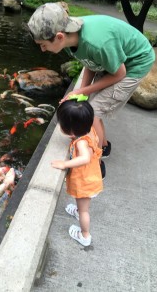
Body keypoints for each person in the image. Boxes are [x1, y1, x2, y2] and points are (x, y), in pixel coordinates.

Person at [27, 2, 155, 162]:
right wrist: (81, 93)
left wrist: (81, 91)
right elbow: (90, 62)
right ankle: (104, 146)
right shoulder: (70, 37)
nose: (42, 50)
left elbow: (119, 74)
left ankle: (97, 159)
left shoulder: (96, 43)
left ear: (59, 37)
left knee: (93, 112)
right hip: (117, 58)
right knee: (90, 106)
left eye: (43, 45)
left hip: (135, 63)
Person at [51, 95, 103, 246]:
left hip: (86, 182)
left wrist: (65, 164)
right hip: (92, 177)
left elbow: (85, 157)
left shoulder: (81, 143)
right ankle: (78, 210)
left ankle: (85, 235)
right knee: (82, 205)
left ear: (71, 131)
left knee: (84, 211)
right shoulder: (89, 130)